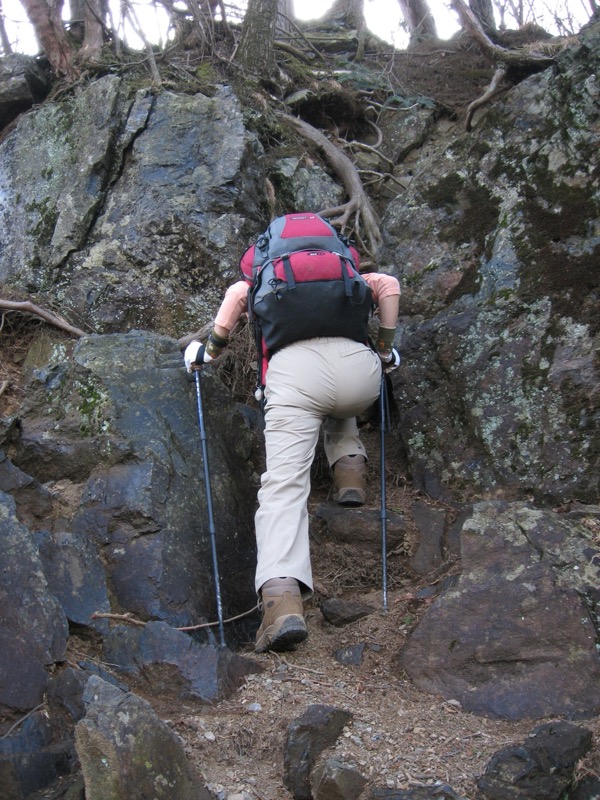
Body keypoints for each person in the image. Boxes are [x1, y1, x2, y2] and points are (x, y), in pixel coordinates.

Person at [184, 237, 400, 654]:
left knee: (284, 486)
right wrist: (386, 350)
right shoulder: (346, 274)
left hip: (294, 375)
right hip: (361, 374)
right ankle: (350, 472)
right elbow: (389, 285)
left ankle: (282, 603)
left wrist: (207, 352)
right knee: (337, 400)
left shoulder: (265, 276)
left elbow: (236, 297)